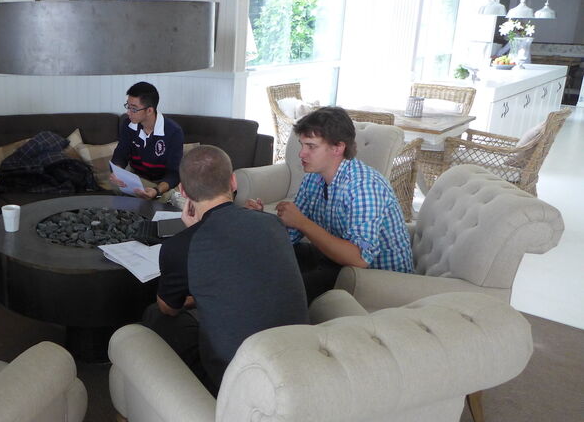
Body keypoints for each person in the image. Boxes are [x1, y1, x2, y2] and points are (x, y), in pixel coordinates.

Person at [143, 145, 308, 395]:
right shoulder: (272, 223)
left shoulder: (180, 246)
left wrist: (190, 232)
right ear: (233, 182)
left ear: (183, 191)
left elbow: (169, 307)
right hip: (298, 360)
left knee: (156, 314)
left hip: (237, 383)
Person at [246, 106, 413, 302]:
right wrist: (262, 220)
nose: (301, 154)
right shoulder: (313, 178)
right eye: (302, 145)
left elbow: (358, 259)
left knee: (283, 290)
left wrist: (302, 222)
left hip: (377, 279)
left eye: (311, 146)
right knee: (264, 259)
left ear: (338, 148)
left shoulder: (363, 187)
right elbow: (291, 234)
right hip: (336, 262)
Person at [109, 81, 184, 201]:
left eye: (133, 109)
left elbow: (174, 174)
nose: (128, 112)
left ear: (149, 110)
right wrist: (117, 173)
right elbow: (120, 155)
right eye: (128, 106)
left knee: (162, 201)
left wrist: (157, 190)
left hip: (162, 184)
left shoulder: (173, 132)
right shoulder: (129, 124)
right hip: (137, 178)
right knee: (114, 187)